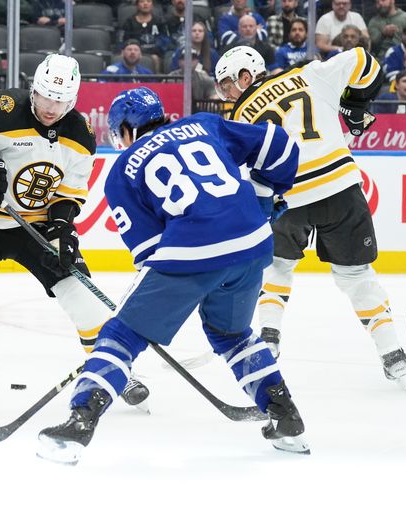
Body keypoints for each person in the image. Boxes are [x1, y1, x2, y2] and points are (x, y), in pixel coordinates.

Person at [37, 87, 308, 465]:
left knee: (121, 334)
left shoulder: (121, 172)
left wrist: (175, 297)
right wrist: (263, 198)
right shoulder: (205, 124)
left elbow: (151, 253)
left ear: (127, 131)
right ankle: (286, 416)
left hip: (193, 251)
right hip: (256, 243)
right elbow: (280, 145)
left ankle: (79, 422)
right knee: (231, 334)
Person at [0, 54, 150, 412]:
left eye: (61, 101)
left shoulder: (81, 134)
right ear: (33, 89)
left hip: (37, 226)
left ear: (73, 100)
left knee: (82, 297)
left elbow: (69, 193)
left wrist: (63, 226)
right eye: (44, 97)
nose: (51, 107)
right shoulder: (0, 108)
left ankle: (113, 366)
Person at [215, 45, 406, 389]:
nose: (226, 94)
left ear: (246, 76)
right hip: (339, 185)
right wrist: (354, 105)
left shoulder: (240, 114)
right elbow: (366, 61)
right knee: (357, 276)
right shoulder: (310, 74)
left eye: (227, 84)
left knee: (276, 266)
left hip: (287, 194)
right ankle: (393, 356)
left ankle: (270, 339)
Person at [121, 0, 171, 69]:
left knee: (155, 58)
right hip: (135, 52)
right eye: (142, 1)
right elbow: (125, 41)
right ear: (137, 5)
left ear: (152, 5)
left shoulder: (160, 21)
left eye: (148, 1)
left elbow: (165, 40)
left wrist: (154, 49)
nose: (145, 4)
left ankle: (156, 78)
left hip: (155, 53)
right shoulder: (129, 22)